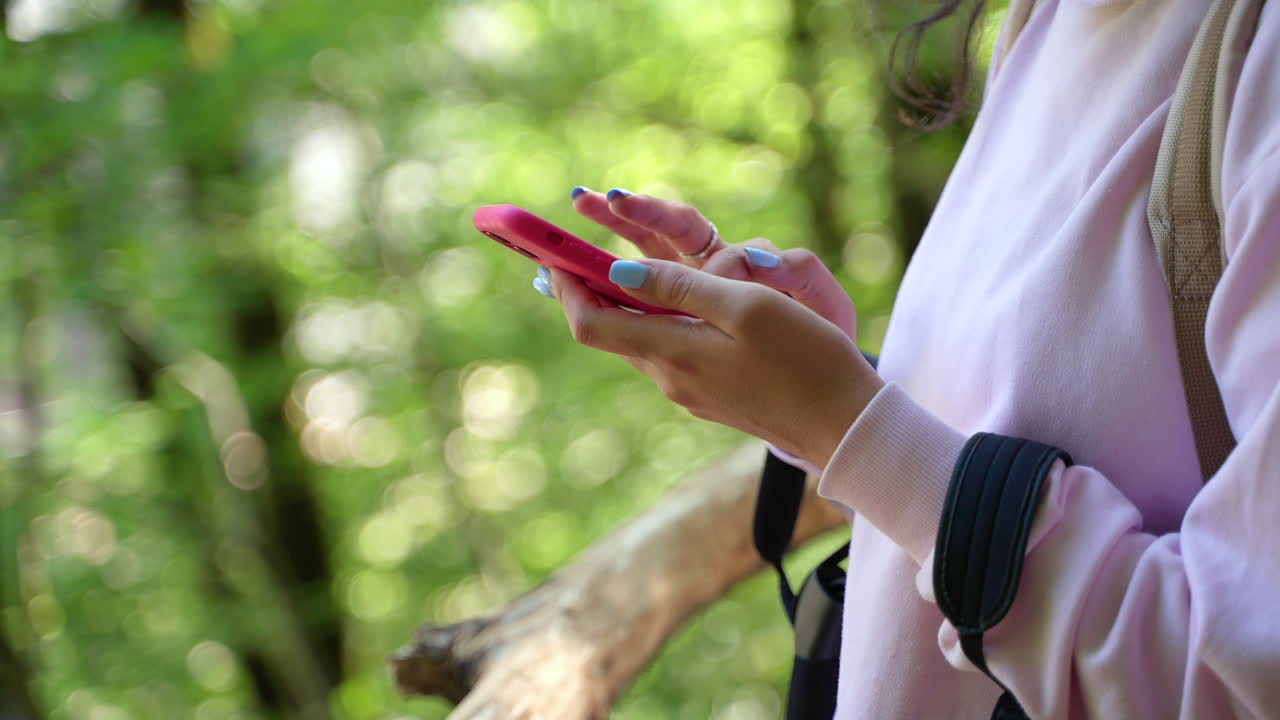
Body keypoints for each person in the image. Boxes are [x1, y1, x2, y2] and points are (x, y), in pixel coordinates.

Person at [533, 0, 1280, 716]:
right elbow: (986, 453)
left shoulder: (1253, 54)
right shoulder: (1041, 22)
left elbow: (1239, 689)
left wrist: (846, 426)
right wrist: (812, 394)